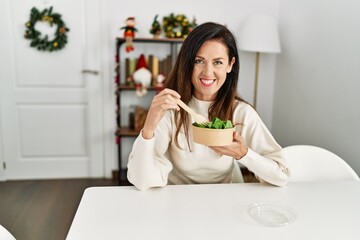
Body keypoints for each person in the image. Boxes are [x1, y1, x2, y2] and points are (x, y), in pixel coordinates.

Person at [127, 22, 290, 190]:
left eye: (218, 62)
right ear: (188, 64)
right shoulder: (172, 110)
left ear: (230, 65)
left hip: (223, 203)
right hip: (177, 201)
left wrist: (243, 154)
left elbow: (281, 175)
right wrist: (148, 127)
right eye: (199, 61)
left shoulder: (241, 113)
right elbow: (141, 180)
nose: (207, 72)